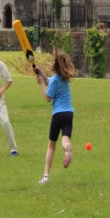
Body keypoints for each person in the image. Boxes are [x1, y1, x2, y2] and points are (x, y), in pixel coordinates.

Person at [35, 50, 76, 185]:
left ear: (55, 64)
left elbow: (48, 97)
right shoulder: (64, 78)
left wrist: (41, 84)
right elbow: (49, 80)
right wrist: (40, 72)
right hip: (69, 114)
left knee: (52, 144)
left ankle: (46, 176)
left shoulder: (55, 81)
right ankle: (68, 149)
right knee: (65, 139)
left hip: (58, 114)